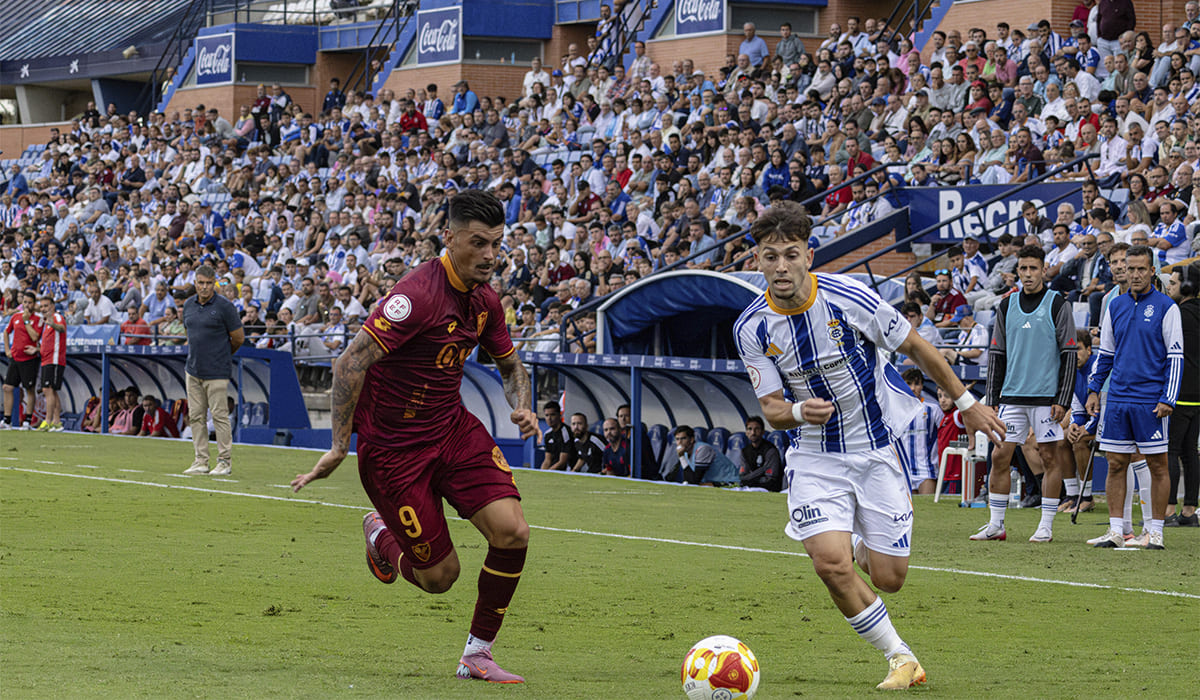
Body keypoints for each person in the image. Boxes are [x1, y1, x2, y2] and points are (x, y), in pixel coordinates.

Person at [733, 202, 1004, 690]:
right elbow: (771, 405)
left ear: (808, 255)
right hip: (814, 458)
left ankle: (860, 539)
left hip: (876, 451)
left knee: (889, 578)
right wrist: (797, 413)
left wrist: (966, 402)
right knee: (829, 565)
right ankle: (900, 656)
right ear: (757, 260)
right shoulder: (751, 327)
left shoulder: (849, 298)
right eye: (769, 256)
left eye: (790, 254)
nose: (780, 267)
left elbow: (918, 347)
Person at [290, 190, 539, 684]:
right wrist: (341, 445)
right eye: (479, 243)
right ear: (450, 238)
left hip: (451, 429)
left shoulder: (486, 302)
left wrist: (522, 404)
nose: (491, 255)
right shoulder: (416, 296)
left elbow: (511, 365)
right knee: (439, 578)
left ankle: (477, 654)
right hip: (394, 452)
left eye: (497, 244)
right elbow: (349, 363)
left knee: (513, 532)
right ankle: (380, 533)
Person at [971, 245, 1077, 543]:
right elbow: (996, 354)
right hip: (1011, 397)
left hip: (1046, 398)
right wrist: (991, 400)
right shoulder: (1006, 305)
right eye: (1023, 269)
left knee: (1049, 458)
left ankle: (1045, 525)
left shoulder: (1058, 303)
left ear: (1044, 269)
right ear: (1016, 272)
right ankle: (996, 525)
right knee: (1000, 455)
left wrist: (1063, 398)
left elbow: (1069, 353)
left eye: (1033, 268)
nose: (1028, 274)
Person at [1085, 245, 1184, 549]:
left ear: (1153, 271)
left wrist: (1169, 397)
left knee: (1157, 465)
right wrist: (1093, 389)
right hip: (1118, 398)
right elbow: (1106, 353)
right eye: (1131, 269)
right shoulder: (1115, 306)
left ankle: (1155, 531)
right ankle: (1117, 530)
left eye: (1142, 269)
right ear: (1124, 271)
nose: (1136, 274)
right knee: (1116, 463)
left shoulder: (1168, 307)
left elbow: (1176, 357)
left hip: (1150, 401)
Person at [181, 264, 244, 476]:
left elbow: (238, 338)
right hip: (193, 369)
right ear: (195, 283)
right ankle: (200, 460)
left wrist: (222, 355)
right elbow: (189, 333)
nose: (205, 287)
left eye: (209, 283)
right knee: (196, 416)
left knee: (219, 416)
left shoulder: (225, 306)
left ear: (214, 282)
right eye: (201, 283)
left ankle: (224, 461)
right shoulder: (188, 305)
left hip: (217, 371)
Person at [1164, 263, 1199, 527]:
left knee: (1171, 450)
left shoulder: (1178, 313)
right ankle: (1189, 510)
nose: (1168, 287)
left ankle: (1167, 510)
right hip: (1197, 394)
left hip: (1180, 391)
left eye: (1174, 283)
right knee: (1190, 452)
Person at [898, 369, 944, 495]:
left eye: (916, 384)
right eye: (909, 383)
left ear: (922, 386)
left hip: (927, 471)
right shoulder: (896, 410)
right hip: (903, 471)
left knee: (928, 509)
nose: (913, 388)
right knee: (908, 512)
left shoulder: (933, 409)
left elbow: (944, 435)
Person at [2, 290, 42, 430]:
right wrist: (7, 350)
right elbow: (6, 332)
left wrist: (26, 321)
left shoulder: (38, 319)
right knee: (7, 387)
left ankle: (28, 421)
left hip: (29, 359)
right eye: (24, 302)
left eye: (29, 303)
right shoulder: (15, 317)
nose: (26, 305)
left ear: (34, 304)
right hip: (15, 358)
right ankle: (7, 421)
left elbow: (35, 337)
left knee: (29, 389)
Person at [661, 425, 740, 485]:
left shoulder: (702, 449)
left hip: (729, 481)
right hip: (713, 482)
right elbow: (688, 479)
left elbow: (694, 480)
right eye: (677, 439)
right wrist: (682, 457)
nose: (679, 442)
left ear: (691, 439)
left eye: (683, 438)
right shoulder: (685, 453)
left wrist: (681, 457)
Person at [35, 296, 67, 432]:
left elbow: (62, 328)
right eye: (41, 306)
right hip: (46, 359)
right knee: (51, 390)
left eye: (46, 306)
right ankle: (57, 422)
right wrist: (37, 349)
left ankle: (48, 421)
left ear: (53, 306)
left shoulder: (56, 317)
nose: (43, 309)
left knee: (48, 390)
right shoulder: (46, 322)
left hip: (54, 360)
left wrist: (51, 323)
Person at [736, 415, 783, 492]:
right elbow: (743, 477)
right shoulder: (745, 451)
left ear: (763, 432)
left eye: (757, 429)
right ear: (746, 433)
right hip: (750, 487)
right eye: (749, 429)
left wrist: (751, 479)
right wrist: (761, 471)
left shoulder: (770, 450)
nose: (753, 432)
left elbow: (771, 478)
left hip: (768, 489)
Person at [541, 400, 573, 470]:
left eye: (552, 415)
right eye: (547, 415)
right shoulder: (547, 434)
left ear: (559, 415)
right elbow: (547, 460)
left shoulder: (565, 432)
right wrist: (542, 473)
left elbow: (562, 462)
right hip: (553, 470)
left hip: (567, 471)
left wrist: (549, 472)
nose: (549, 418)